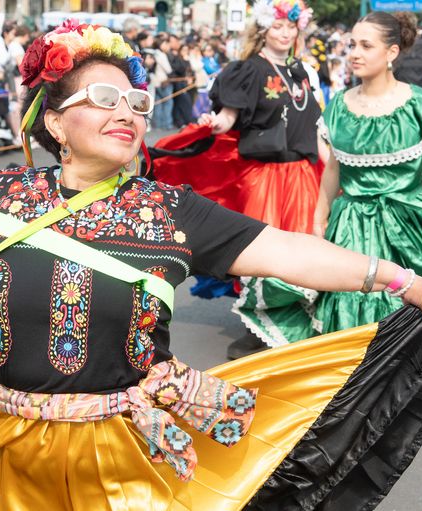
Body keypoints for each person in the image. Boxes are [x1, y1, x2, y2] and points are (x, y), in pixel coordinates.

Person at [0, 21, 422, 511]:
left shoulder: (171, 210)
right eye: (105, 100)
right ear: (54, 123)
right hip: (2, 446)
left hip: (125, 454)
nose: (130, 113)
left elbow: (289, 249)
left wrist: (395, 278)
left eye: (137, 104)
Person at [235, 11, 422, 374]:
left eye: (366, 45)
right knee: (351, 306)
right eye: (352, 45)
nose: (354, 53)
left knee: (419, 302)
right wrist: (320, 215)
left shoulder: (416, 102)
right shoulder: (339, 107)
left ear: (392, 52)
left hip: (413, 222)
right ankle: (361, 389)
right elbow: (334, 167)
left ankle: (405, 383)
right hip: (352, 223)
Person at [152, 0, 324, 358]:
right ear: (263, 29)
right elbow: (228, 116)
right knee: (266, 251)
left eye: (291, 28)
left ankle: (294, 323)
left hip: (303, 172)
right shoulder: (248, 69)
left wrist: (335, 166)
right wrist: (216, 123)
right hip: (264, 175)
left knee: (306, 250)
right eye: (278, 27)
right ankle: (260, 328)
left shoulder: (300, 70)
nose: (285, 33)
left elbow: (317, 127)